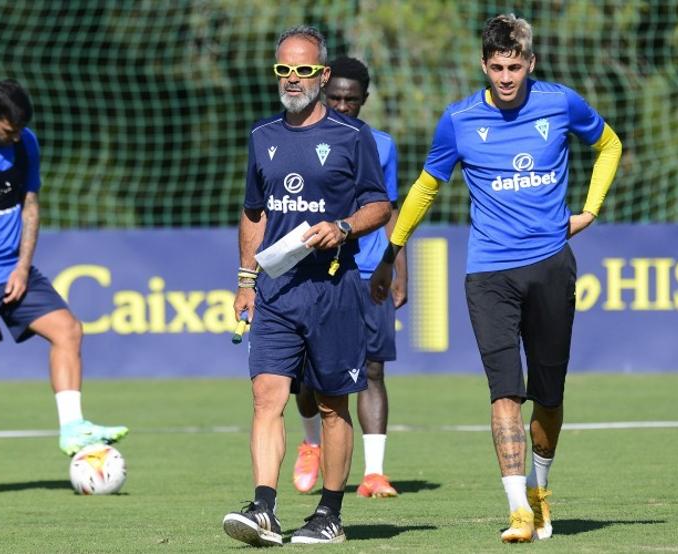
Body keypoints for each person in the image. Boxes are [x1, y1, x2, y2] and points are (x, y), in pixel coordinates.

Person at [370, 14, 621, 543]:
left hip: (551, 265)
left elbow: (610, 145)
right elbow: (424, 188)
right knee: (504, 389)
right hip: (488, 273)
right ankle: (517, 511)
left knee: (548, 394)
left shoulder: (560, 103)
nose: (506, 77)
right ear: (483, 65)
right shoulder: (458, 121)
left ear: (530, 63)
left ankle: (540, 490)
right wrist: (393, 250)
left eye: (516, 66)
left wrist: (591, 211)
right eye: (497, 67)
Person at [221, 26, 391, 546]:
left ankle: (330, 513)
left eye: (302, 70)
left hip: (333, 290)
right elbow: (253, 212)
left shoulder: (352, 136)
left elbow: (379, 205)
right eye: (283, 70)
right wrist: (247, 278)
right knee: (265, 397)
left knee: (333, 404)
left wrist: (342, 227)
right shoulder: (261, 137)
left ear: (321, 75)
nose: (291, 80)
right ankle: (265, 508)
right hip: (276, 292)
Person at [0, 79, 128, 497]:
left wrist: (22, 268)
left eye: (21, 129)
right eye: (8, 129)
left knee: (69, 330)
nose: (15, 137)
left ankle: (72, 426)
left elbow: (31, 207)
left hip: (15, 273)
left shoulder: (26, 144)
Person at [291, 56, 407, 499]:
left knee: (372, 369)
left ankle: (374, 473)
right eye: (335, 97)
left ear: (364, 100)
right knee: (307, 376)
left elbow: (391, 208)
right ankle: (311, 443)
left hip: (367, 271)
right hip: (315, 273)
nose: (342, 106)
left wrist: (396, 266)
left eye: (351, 100)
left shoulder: (382, 145)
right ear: (322, 91)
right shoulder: (298, 140)